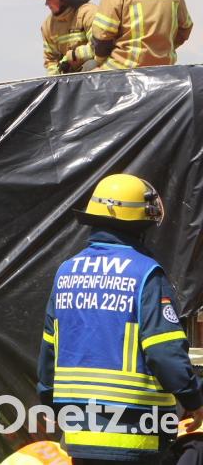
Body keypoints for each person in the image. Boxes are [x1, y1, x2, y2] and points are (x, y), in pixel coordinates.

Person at [38, 174, 203, 462]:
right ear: (141, 225)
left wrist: (49, 403)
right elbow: (164, 352)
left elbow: (48, 350)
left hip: (79, 435)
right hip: (136, 436)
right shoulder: (145, 274)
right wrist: (193, 399)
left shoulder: (66, 273)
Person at [32, 0, 98, 74]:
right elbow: (51, 61)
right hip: (68, 80)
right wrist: (54, 80)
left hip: (94, 77)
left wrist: (73, 56)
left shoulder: (88, 13)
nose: (46, 3)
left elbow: (99, 46)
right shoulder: (48, 26)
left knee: (92, 65)